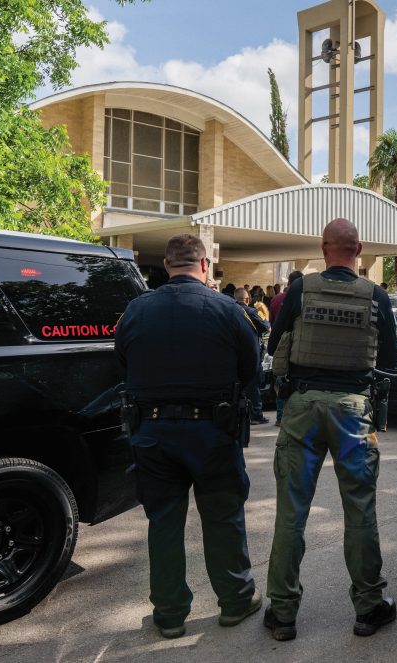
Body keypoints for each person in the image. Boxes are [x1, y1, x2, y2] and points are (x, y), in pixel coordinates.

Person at [115, 233, 261, 639]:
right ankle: (235, 601)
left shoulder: (136, 310)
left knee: (163, 522)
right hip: (213, 432)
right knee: (223, 518)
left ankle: (169, 614)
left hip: (153, 433)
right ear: (204, 266)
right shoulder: (228, 310)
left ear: (166, 266)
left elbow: (122, 362)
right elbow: (251, 371)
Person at [264, 218, 397, 641]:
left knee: (291, 511)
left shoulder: (302, 290)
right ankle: (369, 607)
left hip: (303, 406)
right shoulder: (376, 296)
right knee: (360, 509)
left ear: (324, 249)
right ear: (358, 250)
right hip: (353, 409)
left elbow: (274, 345)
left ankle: (283, 614)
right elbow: (390, 358)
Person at [268, 270, 302, 426]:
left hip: (281, 345)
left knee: (281, 380)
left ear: (288, 282)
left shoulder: (276, 299)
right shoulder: (303, 298)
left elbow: (272, 323)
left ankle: (280, 417)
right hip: (298, 345)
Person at [235, 287, 270, 424]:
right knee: (253, 386)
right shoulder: (253, 312)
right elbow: (267, 326)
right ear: (248, 299)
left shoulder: (228, 311)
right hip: (251, 354)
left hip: (233, 354)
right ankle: (255, 414)